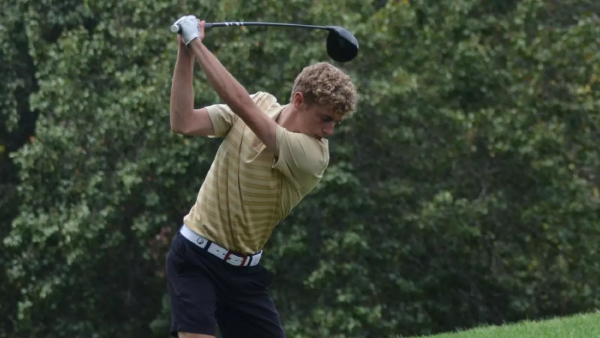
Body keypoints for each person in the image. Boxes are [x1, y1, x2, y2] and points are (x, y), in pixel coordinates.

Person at [166, 15, 358, 338]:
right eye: (326, 118)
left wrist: (196, 43)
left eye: (336, 122)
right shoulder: (261, 103)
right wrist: (184, 52)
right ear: (298, 100)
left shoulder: (313, 155)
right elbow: (183, 121)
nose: (330, 130)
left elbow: (241, 105)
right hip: (194, 258)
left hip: (244, 274)